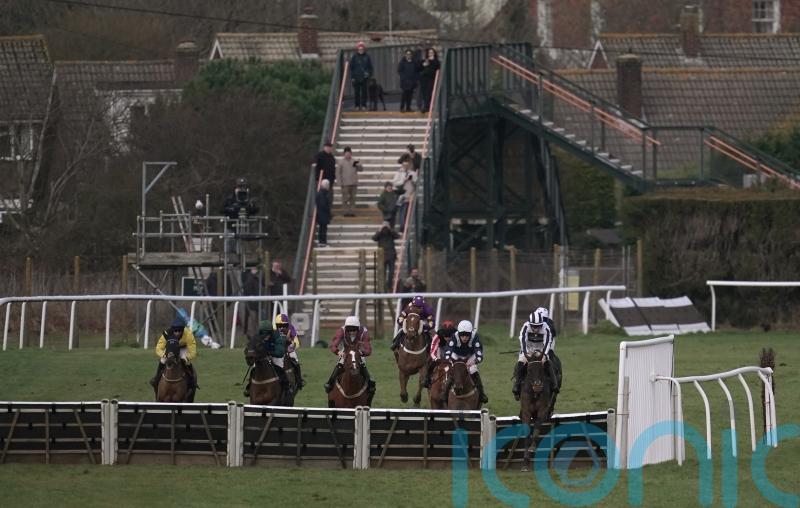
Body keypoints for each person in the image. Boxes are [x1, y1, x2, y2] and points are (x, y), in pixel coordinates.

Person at [512, 308, 562, 401]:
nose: (535, 329)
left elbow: (548, 342)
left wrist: (544, 354)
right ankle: (517, 385)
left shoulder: (546, 328)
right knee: (520, 362)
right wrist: (526, 352)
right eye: (533, 326)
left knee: (546, 362)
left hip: (541, 349)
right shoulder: (526, 326)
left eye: (538, 326)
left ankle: (554, 384)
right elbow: (522, 340)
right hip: (528, 348)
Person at [323, 316, 376, 394]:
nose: (351, 332)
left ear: (358, 328)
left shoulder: (364, 332)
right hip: (345, 351)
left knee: (362, 365)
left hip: (358, 352)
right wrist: (338, 352)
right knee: (339, 364)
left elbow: (368, 349)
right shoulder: (341, 331)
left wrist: (361, 353)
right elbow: (333, 345)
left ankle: (370, 385)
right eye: (349, 330)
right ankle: (330, 383)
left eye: (354, 330)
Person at [441, 320, 488, 404]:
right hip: (456, 355)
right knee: (454, 371)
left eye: (467, 336)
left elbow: (479, 355)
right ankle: (445, 394)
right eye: (462, 336)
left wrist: (473, 362)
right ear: (459, 334)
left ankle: (481, 394)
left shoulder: (475, 337)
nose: (464, 338)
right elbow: (448, 352)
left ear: (470, 334)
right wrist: (450, 361)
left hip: (469, 356)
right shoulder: (454, 337)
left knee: (473, 370)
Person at [149, 317, 198, 396]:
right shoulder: (167, 334)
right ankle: (156, 379)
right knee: (163, 360)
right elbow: (158, 348)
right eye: (175, 331)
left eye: (180, 331)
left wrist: (187, 357)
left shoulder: (188, 334)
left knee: (186, 361)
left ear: (183, 330)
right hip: (170, 348)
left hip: (182, 348)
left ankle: (192, 381)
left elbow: (193, 351)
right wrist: (164, 355)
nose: (177, 333)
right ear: (172, 330)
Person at [243, 319, 290, 397]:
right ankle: (249, 387)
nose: (266, 336)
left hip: (275, 355)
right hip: (262, 356)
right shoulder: (256, 336)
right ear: (260, 332)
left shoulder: (276, 336)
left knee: (280, 369)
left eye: (268, 334)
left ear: (271, 332)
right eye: (263, 334)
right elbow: (248, 348)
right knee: (254, 369)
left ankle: (286, 388)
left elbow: (280, 352)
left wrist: (269, 353)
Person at [222, 177, 259, 253]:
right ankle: (229, 261)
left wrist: (250, 206)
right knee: (229, 246)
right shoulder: (230, 198)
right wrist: (232, 208)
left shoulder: (249, 199)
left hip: (244, 226)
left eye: (243, 186)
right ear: (236, 187)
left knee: (242, 247)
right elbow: (222, 209)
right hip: (231, 226)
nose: (242, 189)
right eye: (240, 186)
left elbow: (255, 210)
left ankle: (241, 262)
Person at [423, 319, 456, 388]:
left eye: (449, 336)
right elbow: (432, 350)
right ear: (442, 333)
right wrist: (435, 359)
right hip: (441, 348)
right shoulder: (437, 335)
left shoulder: (457, 335)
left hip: (454, 348)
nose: (447, 338)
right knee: (432, 362)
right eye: (445, 336)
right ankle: (427, 379)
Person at [274, 313, 304, 389]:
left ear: (287, 325)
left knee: (295, 361)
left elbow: (296, 342)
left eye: (284, 326)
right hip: (277, 349)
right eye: (279, 326)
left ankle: (299, 380)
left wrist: (292, 346)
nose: (281, 328)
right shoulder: (273, 329)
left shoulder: (291, 328)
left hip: (289, 348)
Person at [372, 221, 400, 290]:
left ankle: (389, 286)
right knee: (383, 272)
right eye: (384, 225)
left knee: (391, 273)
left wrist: (390, 229)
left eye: (386, 226)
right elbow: (374, 238)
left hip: (391, 255)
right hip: (382, 256)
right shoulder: (380, 233)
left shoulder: (391, 233)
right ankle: (383, 286)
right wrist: (380, 230)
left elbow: (397, 236)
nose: (385, 227)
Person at [392, 159, 417, 232]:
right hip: (401, 194)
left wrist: (412, 181)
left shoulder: (413, 173)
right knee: (402, 210)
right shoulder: (399, 173)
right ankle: (402, 225)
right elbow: (394, 182)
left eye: (407, 165)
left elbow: (416, 183)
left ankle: (404, 225)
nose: (405, 167)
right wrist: (403, 181)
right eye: (404, 165)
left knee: (405, 210)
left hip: (409, 194)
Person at [336, 146, 361, 217]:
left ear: (351, 153)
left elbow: (361, 169)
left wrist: (358, 165)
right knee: (345, 199)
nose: (348, 154)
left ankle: (352, 211)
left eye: (349, 153)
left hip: (354, 183)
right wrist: (340, 183)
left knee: (353, 198)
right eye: (346, 153)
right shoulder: (341, 162)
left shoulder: (354, 161)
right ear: (344, 154)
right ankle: (345, 212)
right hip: (345, 184)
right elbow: (338, 173)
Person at [350, 42, 373, 111]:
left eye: (362, 49)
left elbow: (370, 67)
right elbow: (351, 68)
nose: (361, 50)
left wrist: (369, 74)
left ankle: (364, 105)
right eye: (359, 49)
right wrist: (352, 77)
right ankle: (357, 105)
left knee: (364, 92)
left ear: (364, 49)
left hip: (364, 78)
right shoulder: (354, 57)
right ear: (357, 49)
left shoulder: (367, 57)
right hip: (356, 77)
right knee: (356, 92)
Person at [397, 48, 420, 113]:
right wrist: (403, 78)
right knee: (404, 95)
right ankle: (402, 107)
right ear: (405, 55)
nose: (408, 55)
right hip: (405, 82)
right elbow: (399, 71)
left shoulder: (414, 62)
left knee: (410, 95)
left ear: (411, 55)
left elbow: (417, 71)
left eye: (410, 54)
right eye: (407, 54)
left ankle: (408, 107)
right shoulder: (402, 62)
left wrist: (415, 79)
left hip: (412, 82)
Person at [419, 48, 440, 113]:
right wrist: (423, 65)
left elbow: (437, 66)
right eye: (429, 53)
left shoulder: (436, 61)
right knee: (424, 93)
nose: (431, 54)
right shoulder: (425, 60)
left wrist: (431, 61)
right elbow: (419, 67)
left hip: (431, 78)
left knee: (429, 92)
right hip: (424, 78)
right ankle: (426, 106)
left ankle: (425, 107)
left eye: (432, 52)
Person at [316, 179, 332, 247]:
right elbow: (323, 204)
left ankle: (322, 242)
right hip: (323, 214)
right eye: (328, 185)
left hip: (321, 214)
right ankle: (322, 242)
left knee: (322, 228)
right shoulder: (323, 194)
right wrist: (328, 209)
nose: (329, 187)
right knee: (323, 229)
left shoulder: (321, 193)